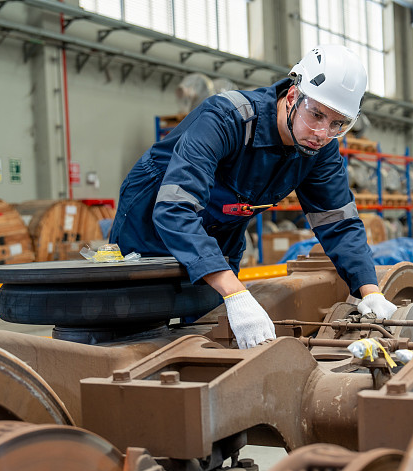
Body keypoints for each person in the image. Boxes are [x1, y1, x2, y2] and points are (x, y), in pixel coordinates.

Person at [110, 44, 397, 349]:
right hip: (149, 223)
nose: (322, 133)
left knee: (208, 331)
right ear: (292, 97)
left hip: (222, 232)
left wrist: (371, 292)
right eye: (316, 115)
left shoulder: (318, 150)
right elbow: (175, 209)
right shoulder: (225, 118)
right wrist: (234, 292)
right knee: (137, 332)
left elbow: (337, 221)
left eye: (337, 124)